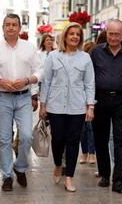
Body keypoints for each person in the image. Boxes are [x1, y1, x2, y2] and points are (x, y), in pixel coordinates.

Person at [0, 13, 43, 191]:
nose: (11, 27)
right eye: (7, 24)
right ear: (3, 28)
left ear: (20, 28)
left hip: (23, 97)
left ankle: (20, 168)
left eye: (14, 25)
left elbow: (40, 69)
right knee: (4, 139)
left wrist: (28, 80)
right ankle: (7, 176)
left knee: (26, 136)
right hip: (1, 97)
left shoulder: (29, 47)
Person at [39, 22, 95, 192]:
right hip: (55, 106)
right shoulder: (53, 56)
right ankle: (57, 164)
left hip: (77, 106)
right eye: (71, 33)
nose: (75, 37)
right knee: (57, 140)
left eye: (77, 34)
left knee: (73, 141)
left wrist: (90, 106)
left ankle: (69, 177)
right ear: (65, 36)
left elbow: (89, 83)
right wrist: (43, 104)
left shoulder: (85, 58)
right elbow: (46, 81)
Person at [91, 19, 122, 193]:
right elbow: (89, 79)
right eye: (110, 34)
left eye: (117, 34)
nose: (113, 37)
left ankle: (118, 179)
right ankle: (104, 174)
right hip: (100, 100)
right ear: (106, 33)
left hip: (121, 101)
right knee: (100, 140)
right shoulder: (96, 52)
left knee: (119, 140)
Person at [79, 40, 96, 165]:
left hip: (91, 99)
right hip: (80, 99)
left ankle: (89, 153)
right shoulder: (83, 62)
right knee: (85, 129)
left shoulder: (92, 64)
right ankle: (87, 153)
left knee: (88, 128)